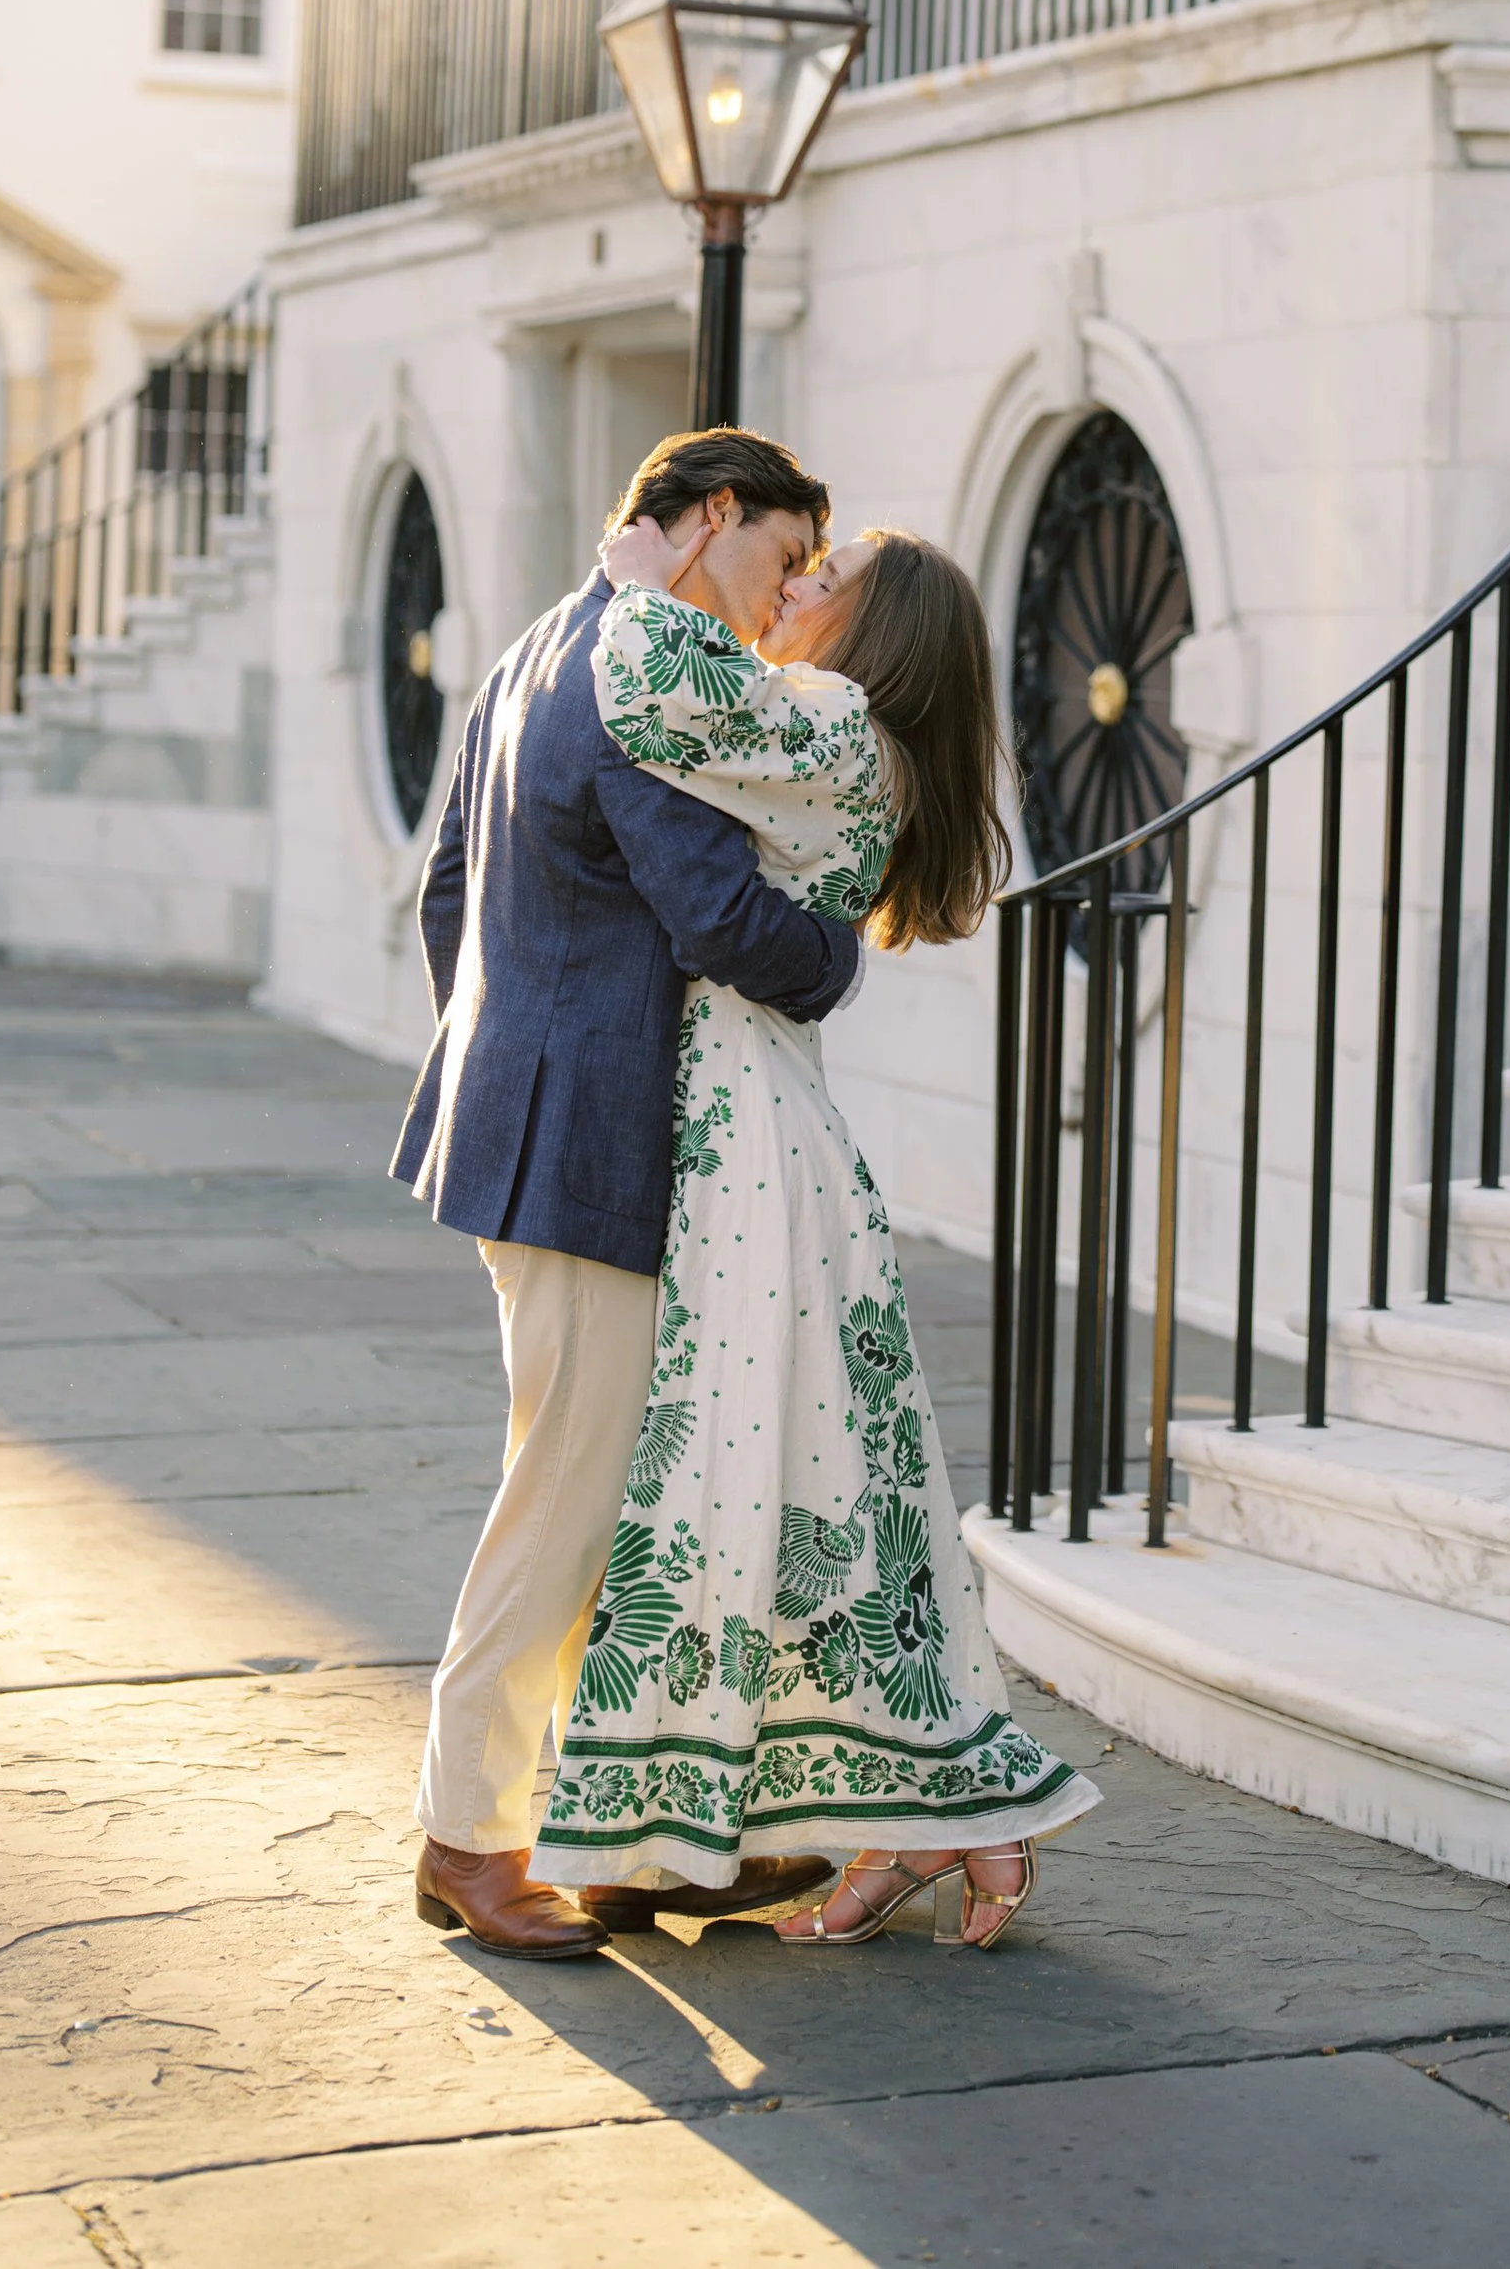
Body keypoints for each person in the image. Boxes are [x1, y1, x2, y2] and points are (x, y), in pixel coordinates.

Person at [531, 510, 1098, 1950]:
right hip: (771, 1126)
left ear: (872, 630)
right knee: (835, 1488)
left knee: (727, 1472)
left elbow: (652, 691)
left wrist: (640, 580)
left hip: (750, 1145)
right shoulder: (862, 743)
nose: (795, 586)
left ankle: (727, 1822)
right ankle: (947, 1823)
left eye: (823, 578)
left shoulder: (835, 718)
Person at [396, 430, 864, 1960]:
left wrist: (513, 1038)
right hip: (592, 1143)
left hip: (520, 1123)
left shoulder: (542, 638)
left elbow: (447, 891)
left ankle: (626, 1836)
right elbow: (720, 909)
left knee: (602, 1494)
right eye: (782, 555)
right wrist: (838, 949)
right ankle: (471, 1837)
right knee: (572, 1493)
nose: (782, 590)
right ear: (710, 513)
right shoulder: (642, 660)